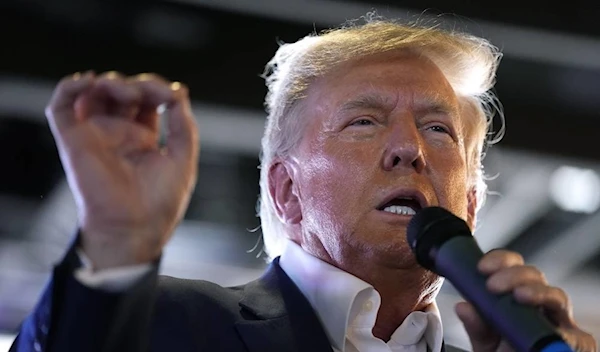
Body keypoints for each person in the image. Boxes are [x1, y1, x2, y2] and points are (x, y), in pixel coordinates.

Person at [10, 15, 597, 352]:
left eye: (437, 129)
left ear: (469, 203)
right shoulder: (167, 326)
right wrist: (114, 240)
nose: (409, 149)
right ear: (287, 193)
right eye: (364, 122)